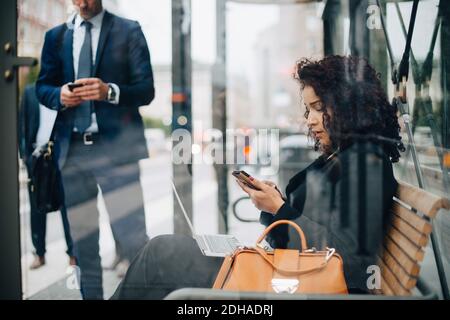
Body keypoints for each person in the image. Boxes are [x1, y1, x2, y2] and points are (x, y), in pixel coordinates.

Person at [111, 55, 404, 299]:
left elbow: (350, 260)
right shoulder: (346, 156)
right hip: (286, 274)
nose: (309, 120)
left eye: (318, 108)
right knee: (164, 252)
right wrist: (274, 204)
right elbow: (316, 231)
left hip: (295, 286)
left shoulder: (367, 163)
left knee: (161, 254)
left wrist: (279, 208)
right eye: (308, 109)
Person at [36, 0, 155, 299]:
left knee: (133, 240)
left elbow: (146, 90)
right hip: (73, 153)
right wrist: (58, 95)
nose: (82, 3)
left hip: (117, 152)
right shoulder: (55, 37)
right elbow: (42, 87)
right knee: (83, 244)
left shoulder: (129, 30)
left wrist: (109, 91)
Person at [19, 84, 76, 270]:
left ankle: (73, 253)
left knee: (67, 205)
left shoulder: (68, 87)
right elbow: (22, 124)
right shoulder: (30, 91)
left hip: (62, 155)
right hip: (37, 156)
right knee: (37, 206)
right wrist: (25, 156)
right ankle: (40, 253)